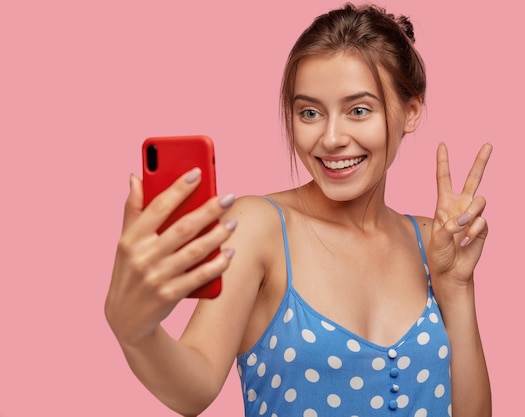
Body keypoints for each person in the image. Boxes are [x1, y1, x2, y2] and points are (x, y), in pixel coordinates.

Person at [105, 3, 492, 417]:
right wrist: (136, 332)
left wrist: (456, 289)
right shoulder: (260, 227)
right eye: (309, 112)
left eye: (358, 110)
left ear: (410, 112)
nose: (330, 138)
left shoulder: (433, 241)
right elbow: (193, 388)